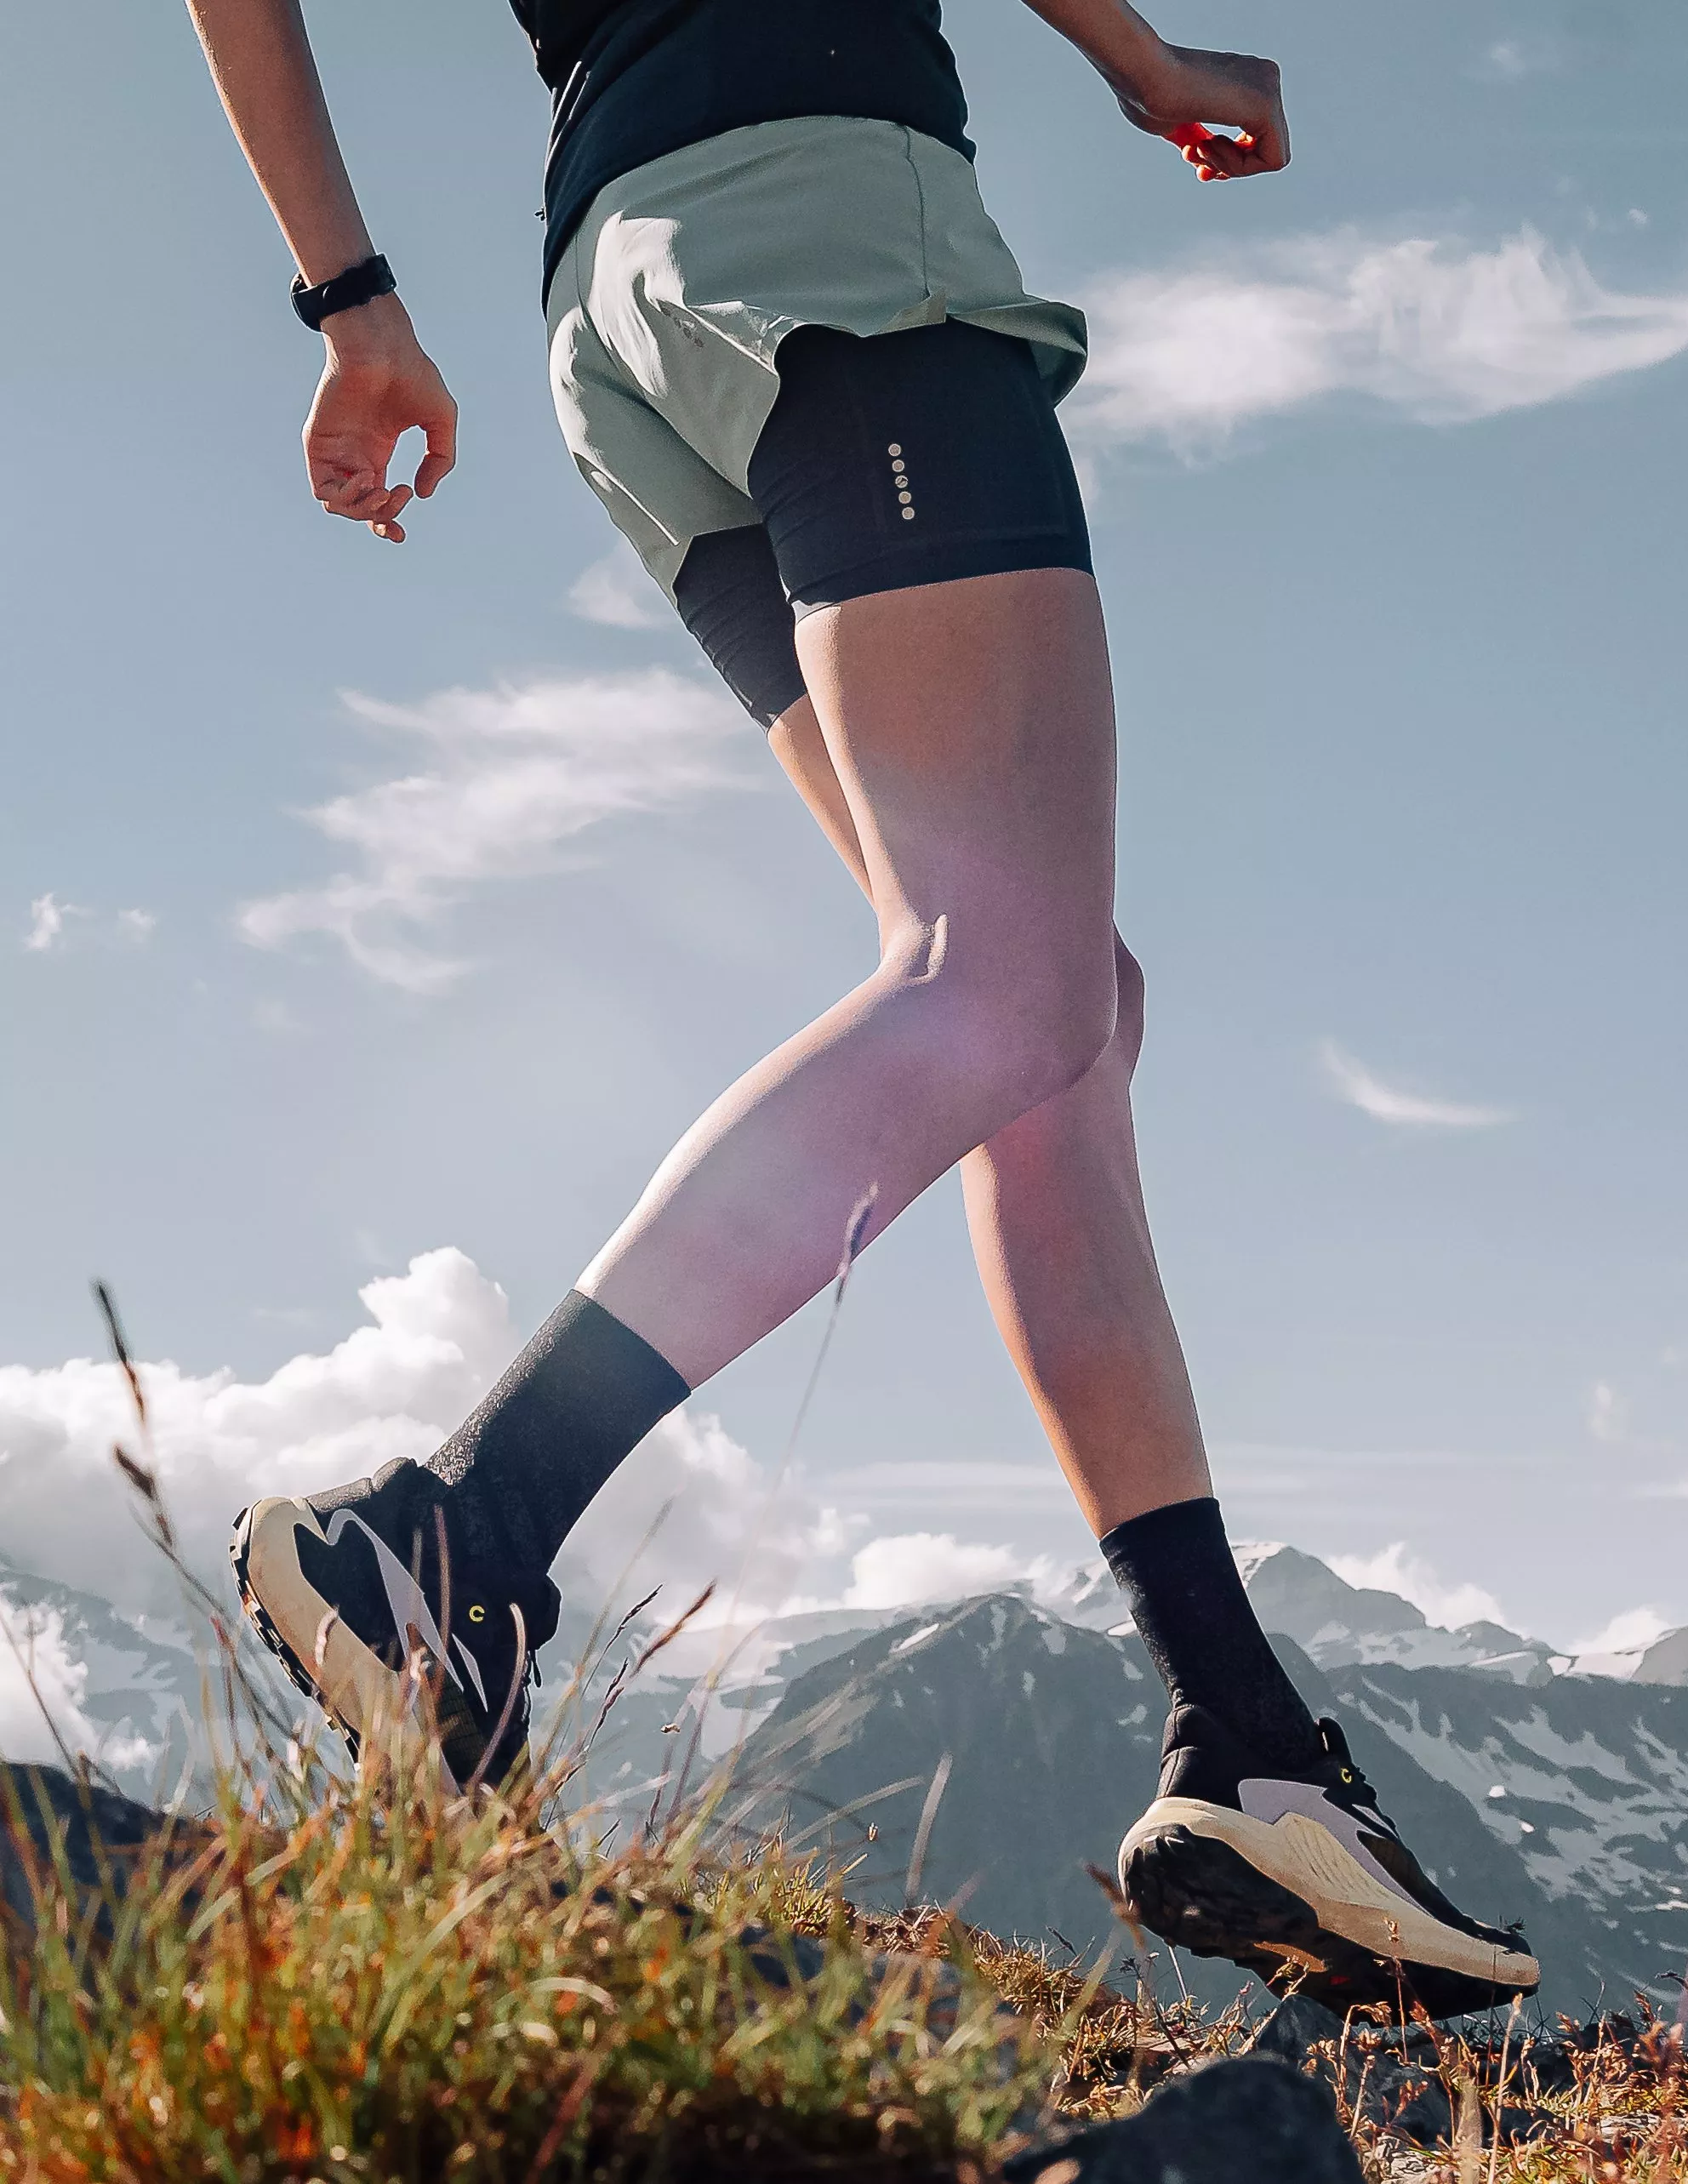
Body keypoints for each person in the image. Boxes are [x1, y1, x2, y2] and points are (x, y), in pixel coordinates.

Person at [190, 0, 1539, 2016]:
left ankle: (1240, 1739)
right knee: (1004, 980)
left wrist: (350, 297)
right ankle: (455, 1533)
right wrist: (1143, 62)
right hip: (825, 206)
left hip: (623, 291)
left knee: (1053, 998)